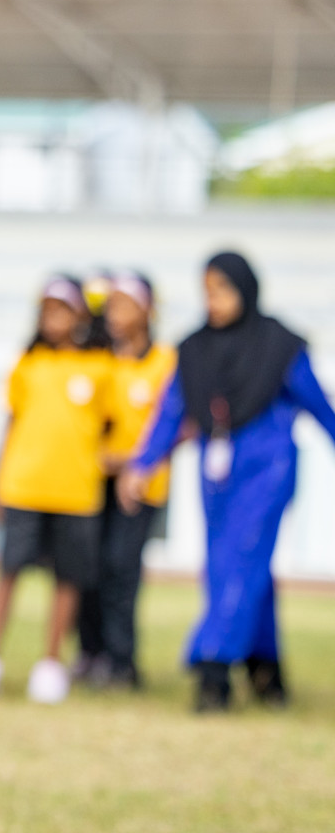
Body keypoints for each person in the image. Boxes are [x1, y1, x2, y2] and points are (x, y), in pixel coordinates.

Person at [122, 251, 335, 712]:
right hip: (217, 472)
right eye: (208, 291)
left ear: (246, 289)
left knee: (239, 558)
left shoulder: (279, 346)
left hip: (268, 467)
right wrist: (142, 465)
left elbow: (320, 405)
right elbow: (171, 411)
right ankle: (266, 669)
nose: (214, 301)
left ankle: (212, 666)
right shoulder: (195, 349)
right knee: (232, 561)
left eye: (222, 290)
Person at [0, 275, 112, 704]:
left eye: (62, 310)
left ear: (81, 315)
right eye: (47, 310)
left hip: (76, 492)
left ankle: (50, 662)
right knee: (9, 572)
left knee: (67, 578)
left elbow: (115, 426)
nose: (52, 318)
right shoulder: (28, 365)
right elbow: (10, 425)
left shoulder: (101, 368)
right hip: (24, 486)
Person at [75, 270, 175, 689]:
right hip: (95, 482)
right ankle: (90, 652)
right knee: (88, 568)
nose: (115, 314)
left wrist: (135, 462)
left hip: (141, 486)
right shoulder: (102, 361)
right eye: (111, 305)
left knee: (122, 569)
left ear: (148, 310)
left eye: (124, 305)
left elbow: (176, 423)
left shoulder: (165, 362)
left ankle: (122, 661)